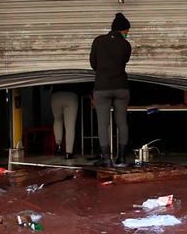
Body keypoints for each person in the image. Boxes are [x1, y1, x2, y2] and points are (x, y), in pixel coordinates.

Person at [90, 12, 132, 167]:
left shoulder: (98, 41)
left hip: (102, 87)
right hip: (121, 87)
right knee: (122, 122)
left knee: (103, 123)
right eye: (127, 31)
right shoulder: (126, 45)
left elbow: (93, 64)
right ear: (123, 30)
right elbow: (124, 62)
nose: (128, 34)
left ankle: (106, 158)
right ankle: (121, 157)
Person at [50, 84, 80, 160]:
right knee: (70, 125)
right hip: (71, 95)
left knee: (57, 120)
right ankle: (68, 153)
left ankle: (58, 146)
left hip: (56, 95)